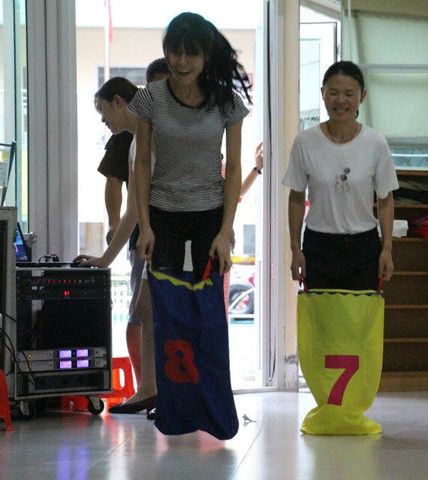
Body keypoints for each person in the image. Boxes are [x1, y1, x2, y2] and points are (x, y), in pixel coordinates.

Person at [128, 12, 251, 437]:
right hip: (162, 216)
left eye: (190, 53)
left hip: (209, 218)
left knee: (208, 317)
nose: (181, 62)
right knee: (168, 315)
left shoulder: (227, 102)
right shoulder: (149, 99)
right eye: (174, 52)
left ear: (205, 55)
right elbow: (141, 164)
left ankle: (215, 413)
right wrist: (144, 225)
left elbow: (234, 169)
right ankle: (175, 412)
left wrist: (226, 229)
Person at [76, 60, 173, 415]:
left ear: (119, 102)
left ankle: (169, 391)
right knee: (144, 309)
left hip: (174, 233)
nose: (104, 121)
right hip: (154, 237)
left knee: (159, 311)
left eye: (104, 112)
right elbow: (133, 209)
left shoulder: (158, 133)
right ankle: (150, 389)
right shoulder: (134, 143)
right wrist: (105, 259)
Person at [283, 61, 397, 290]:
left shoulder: (375, 143)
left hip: (363, 248)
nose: (341, 100)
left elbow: (385, 200)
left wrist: (387, 249)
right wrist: (295, 248)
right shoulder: (305, 142)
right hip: (319, 246)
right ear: (322, 93)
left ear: (362, 96)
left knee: (361, 313)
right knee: (320, 313)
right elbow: (296, 197)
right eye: (333, 93)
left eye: (349, 94)